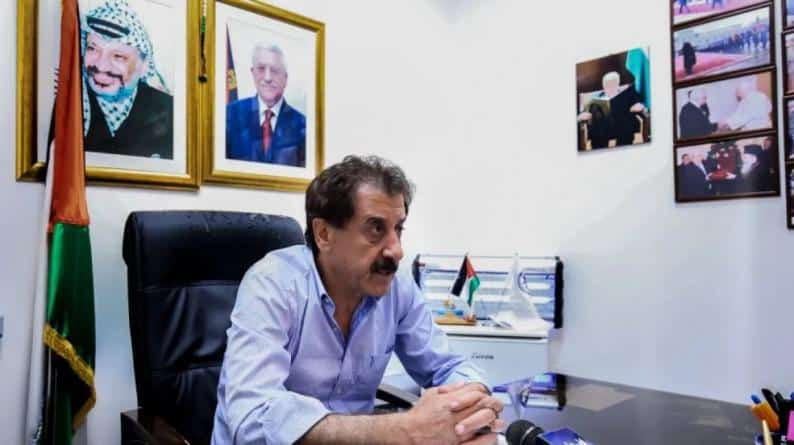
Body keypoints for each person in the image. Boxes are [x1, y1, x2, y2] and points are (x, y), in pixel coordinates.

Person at [211, 155, 504, 445]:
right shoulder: (273, 283)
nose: (396, 251)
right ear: (324, 234)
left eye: (398, 229)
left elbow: (447, 365)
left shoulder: (397, 286)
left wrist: (470, 407)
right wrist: (403, 430)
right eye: (376, 229)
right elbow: (251, 418)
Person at [82, 0, 173, 159]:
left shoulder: (169, 110)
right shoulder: (70, 104)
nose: (101, 66)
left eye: (118, 56)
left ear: (144, 65)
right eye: (93, 48)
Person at [226, 43, 306, 166]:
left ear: (285, 78)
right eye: (261, 68)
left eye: (275, 70)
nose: (268, 78)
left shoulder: (303, 124)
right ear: (253, 73)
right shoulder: (231, 114)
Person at [577, 71, 647, 149]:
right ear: (603, 86)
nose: (609, 88)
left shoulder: (627, 94)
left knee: (627, 127)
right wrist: (581, 116)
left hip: (622, 129)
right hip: (602, 132)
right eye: (607, 85)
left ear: (618, 84)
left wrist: (640, 106)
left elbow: (641, 103)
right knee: (597, 131)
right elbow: (582, 113)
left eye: (612, 85)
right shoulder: (596, 98)